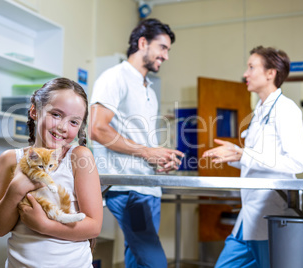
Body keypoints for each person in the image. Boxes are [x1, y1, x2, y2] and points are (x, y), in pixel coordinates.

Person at [89, 18, 184, 268]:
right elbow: (97, 128)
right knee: (154, 263)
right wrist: (146, 152)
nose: (166, 56)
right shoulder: (114, 78)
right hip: (128, 189)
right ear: (143, 43)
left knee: (138, 259)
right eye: (162, 47)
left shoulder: (149, 90)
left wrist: (157, 160)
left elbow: (141, 141)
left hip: (148, 186)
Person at [202, 46, 303, 268]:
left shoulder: (287, 110)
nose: (245, 74)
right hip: (249, 215)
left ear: (271, 73)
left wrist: (245, 154)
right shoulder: (259, 112)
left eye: (251, 67)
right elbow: (258, 158)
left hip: (271, 214)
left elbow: (296, 162)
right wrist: (235, 156)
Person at [0, 78, 103, 268]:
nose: (63, 127)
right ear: (34, 111)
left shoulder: (79, 158)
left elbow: (93, 226)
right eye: (56, 114)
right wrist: (15, 190)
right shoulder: (10, 159)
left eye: (74, 122)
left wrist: (45, 226)